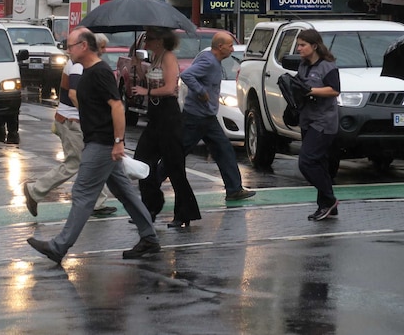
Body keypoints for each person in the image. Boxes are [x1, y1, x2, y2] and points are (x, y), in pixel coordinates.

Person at [27, 27, 160, 263]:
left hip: (102, 144)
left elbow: (117, 106)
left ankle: (59, 247)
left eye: (70, 46)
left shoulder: (99, 72)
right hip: (98, 142)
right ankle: (149, 237)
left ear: (83, 46)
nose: (67, 50)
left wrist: (118, 142)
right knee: (125, 192)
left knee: (82, 193)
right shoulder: (87, 72)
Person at [22, 33, 117, 218]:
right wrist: (90, 115)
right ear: (91, 47)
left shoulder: (83, 64)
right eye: (102, 47)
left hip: (71, 120)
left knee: (92, 161)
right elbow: (74, 94)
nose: (105, 51)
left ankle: (96, 203)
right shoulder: (78, 66)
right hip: (72, 121)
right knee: (75, 163)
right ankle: (35, 190)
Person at [132, 27, 201, 228]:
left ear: (160, 41)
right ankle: (151, 205)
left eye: (149, 39)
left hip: (169, 117)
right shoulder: (155, 57)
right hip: (155, 116)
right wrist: (138, 67)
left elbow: (170, 88)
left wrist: (147, 91)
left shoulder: (168, 58)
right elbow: (151, 80)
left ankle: (184, 212)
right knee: (142, 162)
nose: (145, 44)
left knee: (174, 167)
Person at [177, 32, 256, 201]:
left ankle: (234, 189)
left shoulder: (210, 59)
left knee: (224, 150)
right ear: (220, 47)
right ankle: (153, 184)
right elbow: (186, 75)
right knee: (178, 153)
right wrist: (201, 91)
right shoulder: (208, 61)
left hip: (207, 116)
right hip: (196, 117)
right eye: (230, 46)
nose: (232, 49)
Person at [295, 29, 341, 221]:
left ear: (314, 46)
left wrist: (311, 90)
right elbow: (300, 87)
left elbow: (334, 90)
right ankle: (325, 206)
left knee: (306, 161)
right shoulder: (303, 66)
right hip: (307, 119)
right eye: (298, 45)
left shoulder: (328, 67)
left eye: (302, 45)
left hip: (324, 121)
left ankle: (329, 199)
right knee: (320, 164)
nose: (299, 49)